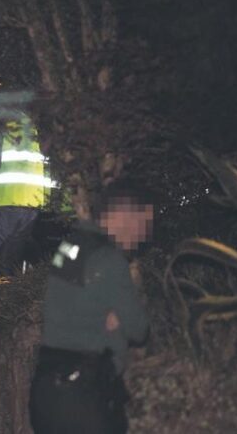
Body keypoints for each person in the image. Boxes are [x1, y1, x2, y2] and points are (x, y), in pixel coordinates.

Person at [28, 183, 152, 434]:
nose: (143, 234)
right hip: (84, 399)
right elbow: (138, 329)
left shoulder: (70, 247)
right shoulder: (109, 259)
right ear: (121, 216)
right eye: (142, 223)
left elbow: (69, 303)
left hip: (47, 391)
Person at [0, 113, 54, 278]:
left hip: (3, 201)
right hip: (30, 205)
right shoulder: (29, 124)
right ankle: (8, 300)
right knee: (5, 261)